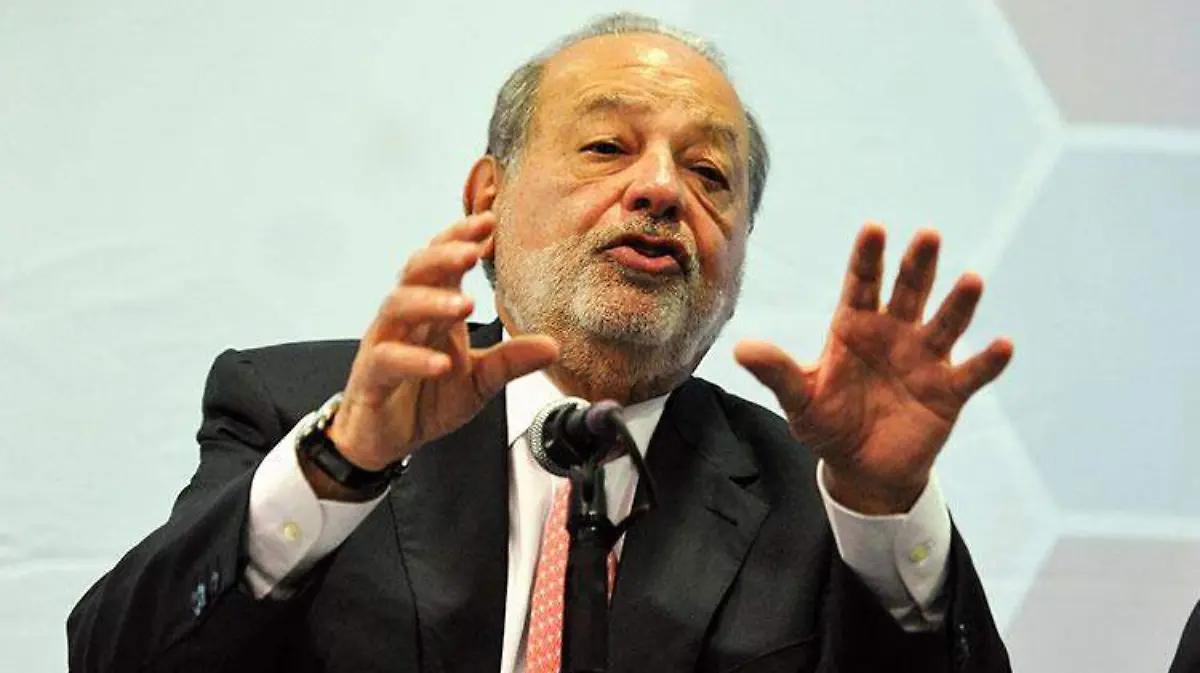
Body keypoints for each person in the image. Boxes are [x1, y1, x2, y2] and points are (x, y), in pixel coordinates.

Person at [67, 12, 1015, 673]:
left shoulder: (821, 496)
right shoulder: (298, 411)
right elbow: (114, 657)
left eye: (708, 172)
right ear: (488, 196)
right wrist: (343, 465)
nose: (661, 190)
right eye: (606, 148)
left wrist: (888, 509)